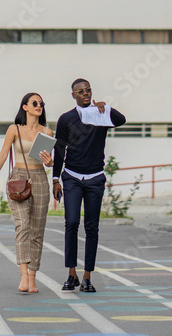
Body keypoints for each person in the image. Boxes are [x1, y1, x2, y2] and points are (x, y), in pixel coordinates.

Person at [52, 78, 126, 292]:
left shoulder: (100, 114)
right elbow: (59, 150)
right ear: (73, 95)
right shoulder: (66, 119)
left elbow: (121, 120)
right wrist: (56, 179)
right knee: (72, 222)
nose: (85, 93)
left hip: (95, 178)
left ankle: (86, 277)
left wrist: (106, 107)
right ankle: (71, 274)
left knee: (92, 227)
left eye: (88, 90)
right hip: (72, 177)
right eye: (80, 91)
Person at [0, 93, 54, 293]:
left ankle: (33, 277)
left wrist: (50, 162)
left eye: (41, 103)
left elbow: (49, 160)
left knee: (37, 231)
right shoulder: (14, 129)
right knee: (22, 226)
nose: (39, 105)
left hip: (40, 178)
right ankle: (23, 275)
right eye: (34, 103)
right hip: (18, 179)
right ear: (24, 107)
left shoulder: (47, 132)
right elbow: (3, 152)